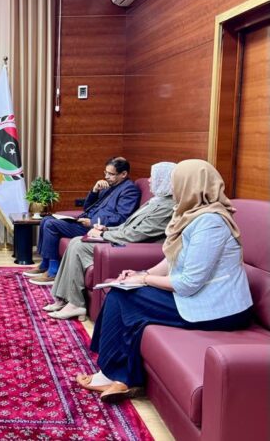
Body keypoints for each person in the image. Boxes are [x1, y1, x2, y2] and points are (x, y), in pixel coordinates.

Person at [77, 159, 253, 403]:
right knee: (123, 292)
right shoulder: (193, 215)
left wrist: (145, 279)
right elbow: (173, 260)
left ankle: (112, 375)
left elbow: (188, 283)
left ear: (190, 186)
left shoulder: (211, 222)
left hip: (219, 308)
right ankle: (123, 377)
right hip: (197, 296)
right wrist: (140, 274)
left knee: (122, 297)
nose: (173, 188)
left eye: (176, 183)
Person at [41, 162, 177, 319]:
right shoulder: (156, 201)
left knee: (78, 244)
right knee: (75, 241)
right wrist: (105, 229)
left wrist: (103, 235)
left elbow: (136, 234)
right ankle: (63, 298)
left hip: (132, 246)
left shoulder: (167, 207)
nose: (149, 180)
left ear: (164, 180)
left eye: (153, 177)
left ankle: (76, 304)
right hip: (121, 237)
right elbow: (126, 225)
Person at [25, 157, 141, 283]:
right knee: (46, 219)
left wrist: (92, 222)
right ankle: (45, 263)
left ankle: (53, 271)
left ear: (123, 174)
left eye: (111, 174)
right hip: (84, 221)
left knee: (51, 224)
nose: (106, 177)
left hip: (96, 228)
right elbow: (87, 207)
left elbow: (122, 218)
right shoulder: (108, 186)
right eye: (105, 173)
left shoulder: (129, 190)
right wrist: (94, 191)